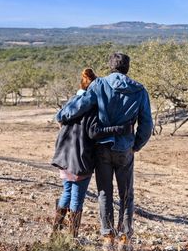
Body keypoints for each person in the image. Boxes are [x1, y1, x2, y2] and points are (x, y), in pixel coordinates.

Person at [56, 53, 153, 251]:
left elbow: (79, 106)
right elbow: (147, 124)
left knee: (104, 193)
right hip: (125, 148)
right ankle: (124, 237)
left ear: (110, 67)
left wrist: (61, 114)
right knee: (126, 194)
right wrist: (136, 145)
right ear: (127, 67)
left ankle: (107, 236)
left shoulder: (99, 85)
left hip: (102, 148)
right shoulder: (140, 90)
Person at [51, 68, 132, 238]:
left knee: (67, 191)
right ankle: (72, 238)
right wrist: (120, 129)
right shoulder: (92, 108)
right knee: (77, 197)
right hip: (81, 158)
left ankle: (55, 233)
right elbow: (94, 132)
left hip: (64, 155)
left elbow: (60, 119)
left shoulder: (72, 103)